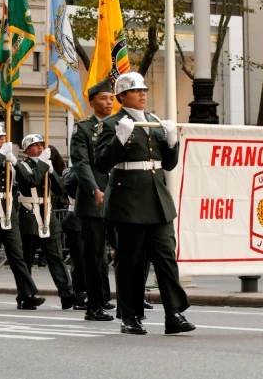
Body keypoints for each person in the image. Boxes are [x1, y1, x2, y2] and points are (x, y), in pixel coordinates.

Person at [94, 72, 194, 336]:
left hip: (158, 200)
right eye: (136, 91)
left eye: (144, 90)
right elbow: (102, 164)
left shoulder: (155, 122)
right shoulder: (112, 123)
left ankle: (174, 314)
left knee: (166, 260)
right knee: (131, 264)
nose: (142, 94)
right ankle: (131, 317)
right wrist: (119, 139)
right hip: (128, 202)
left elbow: (168, 164)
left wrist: (173, 143)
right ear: (122, 96)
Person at [0, 121, 45, 310]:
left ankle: (27, 295)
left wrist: (14, 161)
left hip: (9, 211)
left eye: (4, 136)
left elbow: (29, 180)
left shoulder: (9, 157)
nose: (2, 138)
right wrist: (1, 154)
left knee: (17, 255)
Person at [15, 134, 83, 310]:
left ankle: (67, 295)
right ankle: (25, 296)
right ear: (27, 149)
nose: (39, 147)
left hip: (47, 215)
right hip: (29, 215)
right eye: (35, 145)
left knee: (56, 258)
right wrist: (43, 165)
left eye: (41, 144)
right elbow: (32, 181)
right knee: (26, 259)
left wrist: (52, 172)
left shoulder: (47, 165)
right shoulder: (22, 165)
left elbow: (61, 191)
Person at [71, 80, 116, 321]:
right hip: (94, 199)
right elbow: (81, 162)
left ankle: (123, 299)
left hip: (118, 196)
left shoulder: (119, 125)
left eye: (111, 98)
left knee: (125, 251)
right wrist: (94, 189)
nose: (109, 102)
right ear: (92, 102)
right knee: (95, 255)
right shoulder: (84, 129)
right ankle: (94, 305)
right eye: (103, 98)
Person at [60, 163, 88, 311]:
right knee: (80, 261)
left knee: (99, 261)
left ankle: (101, 295)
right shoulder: (71, 170)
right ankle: (79, 295)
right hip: (76, 219)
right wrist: (83, 168)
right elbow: (69, 184)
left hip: (94, 219)